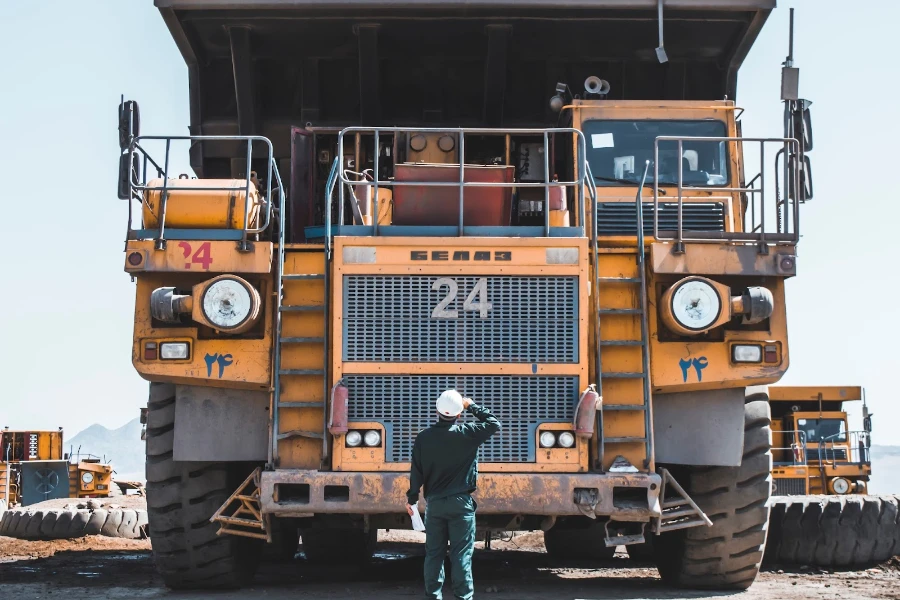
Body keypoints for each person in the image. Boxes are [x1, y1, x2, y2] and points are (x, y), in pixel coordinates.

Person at [406, 390, 501, 600]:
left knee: (434, 555)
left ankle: (433, 596)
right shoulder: (467, 433)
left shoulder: (423, 438)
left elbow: (416, 472)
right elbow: (494, 423)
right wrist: (472, 405)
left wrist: (412, 499)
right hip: (461, 505)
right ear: (459, 415)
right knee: (461, 557)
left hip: (436, 504)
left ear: (437, 411)